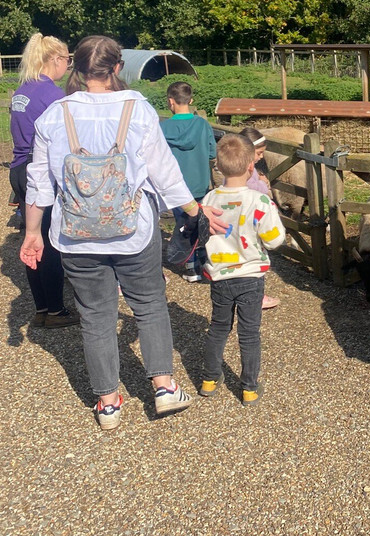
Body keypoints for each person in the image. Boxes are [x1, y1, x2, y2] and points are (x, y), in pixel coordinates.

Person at [19, 35, 221, 431]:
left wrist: (32, 233)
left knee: (95, 315)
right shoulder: (139, 110)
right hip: (133, 231)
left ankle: (108, 403)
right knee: (148, 304)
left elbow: (38, 181)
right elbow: (163, 171)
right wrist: (196, 210)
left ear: (75, 68)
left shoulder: (53, 116)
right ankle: (163, 387)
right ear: (116, 69)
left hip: (76, 234)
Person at [198, 133, 286, 406]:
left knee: (218, 328)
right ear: (251, 166)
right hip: (250, 275)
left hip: (220, 275)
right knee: (249, 333)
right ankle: (248, 387)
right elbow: (274, 239)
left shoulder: (209, 199)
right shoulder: (259, 202)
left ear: (219, 166)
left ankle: (210, 379)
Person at [9, 33, 78, 328]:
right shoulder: (53, 96)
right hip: (40, 168)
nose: (68, 65)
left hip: (19, 167)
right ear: (54, 59)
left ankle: (40, 307)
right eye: (67, 60)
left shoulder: (22, 90)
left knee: (31, 234)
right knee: (49, 242)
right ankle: (55, 310)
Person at [161, 81, 216, 282]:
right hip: (200, 182)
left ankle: (191, 267)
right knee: (202, 221)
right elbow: (212, 152)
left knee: (183, 224)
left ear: (170, 101)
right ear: (191, 101)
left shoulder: (163, 127)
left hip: (176, 186)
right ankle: (205, 262)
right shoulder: (202, 124)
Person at [240, 127, 282, 311]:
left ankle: (244, 293)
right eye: (259, 153)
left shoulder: (240, 169)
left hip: (242, 223)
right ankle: (257, 296)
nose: (261, 157)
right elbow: (256, 191)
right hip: (252, 223)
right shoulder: (247, 174)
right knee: (255, 259)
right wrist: (264, 185)